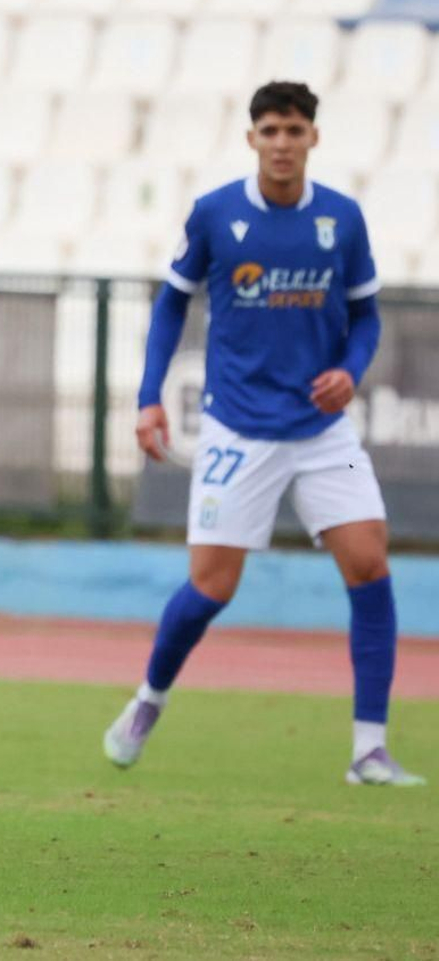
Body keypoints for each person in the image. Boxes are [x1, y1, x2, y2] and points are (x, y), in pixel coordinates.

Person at [104, 81, 424, 787]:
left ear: (314, 138)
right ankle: (149, 698)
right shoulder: (216, 213)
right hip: (238, 429)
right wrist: (150, 398)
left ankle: (369, 748)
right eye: (271, 130)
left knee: (370, 565)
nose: (282, 143)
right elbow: (171, 304)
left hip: (323, 431)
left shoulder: (342, 219)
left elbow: (366, 316)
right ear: (252, 138)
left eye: (294, 130)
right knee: (212, 586)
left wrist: (351, 370)